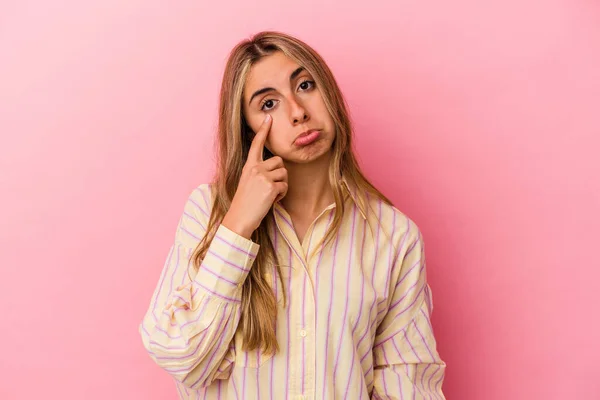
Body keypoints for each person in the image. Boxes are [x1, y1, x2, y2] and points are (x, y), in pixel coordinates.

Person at [139, 30, 446, 399]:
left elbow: (408, 387)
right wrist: (237, 227)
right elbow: (182, 356)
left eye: (305, 85)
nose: (298, 112)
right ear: (248, 128)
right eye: (268, 104)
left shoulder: (394, 236)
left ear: (329, 92)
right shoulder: (208, 212)